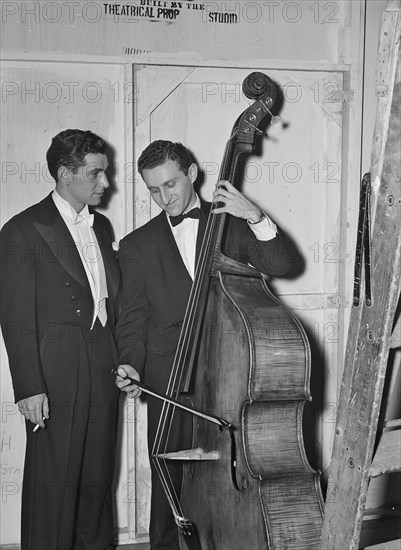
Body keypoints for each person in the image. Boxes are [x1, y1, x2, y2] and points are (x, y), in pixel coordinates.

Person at [115, 140, 300, 550]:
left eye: (171, 185)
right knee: (170, 481)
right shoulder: (136, 245)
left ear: (193, 174)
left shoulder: (230, 224)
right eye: (153, 190)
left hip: (229, 376)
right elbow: (132, 320)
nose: (164, 198)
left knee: (233, 473)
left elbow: (285, 265)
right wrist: (129, 363)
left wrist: (254, 215)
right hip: (169, 380)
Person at [0, 129, 121, 550]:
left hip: (102, 362)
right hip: (54, 370)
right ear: (64, 173)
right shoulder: (22, 230)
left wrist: (122, 359)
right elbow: (15, 316)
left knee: (97, 476)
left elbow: (110, 300)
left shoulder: (102, 226)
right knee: (54, 479)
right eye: (96, 174)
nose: (106, 183)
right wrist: (30, 387)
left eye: (105, 173)